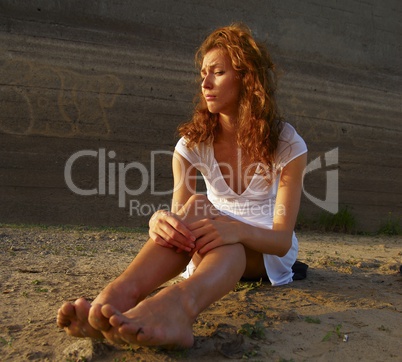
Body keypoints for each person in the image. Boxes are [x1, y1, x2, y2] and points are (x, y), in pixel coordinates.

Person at [57, 22, 307, 348]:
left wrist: (235, 229)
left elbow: (282, 240)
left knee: (227, 244)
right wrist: (160, 221)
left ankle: (178, 308)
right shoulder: (191, 144)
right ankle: (116, 297)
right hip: (207, 241)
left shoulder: (285, 142)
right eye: (203, 73)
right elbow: (182, 222)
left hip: (263, 250)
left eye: (217, 72)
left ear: (247, 78)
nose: (205, 83)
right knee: (197, 206)